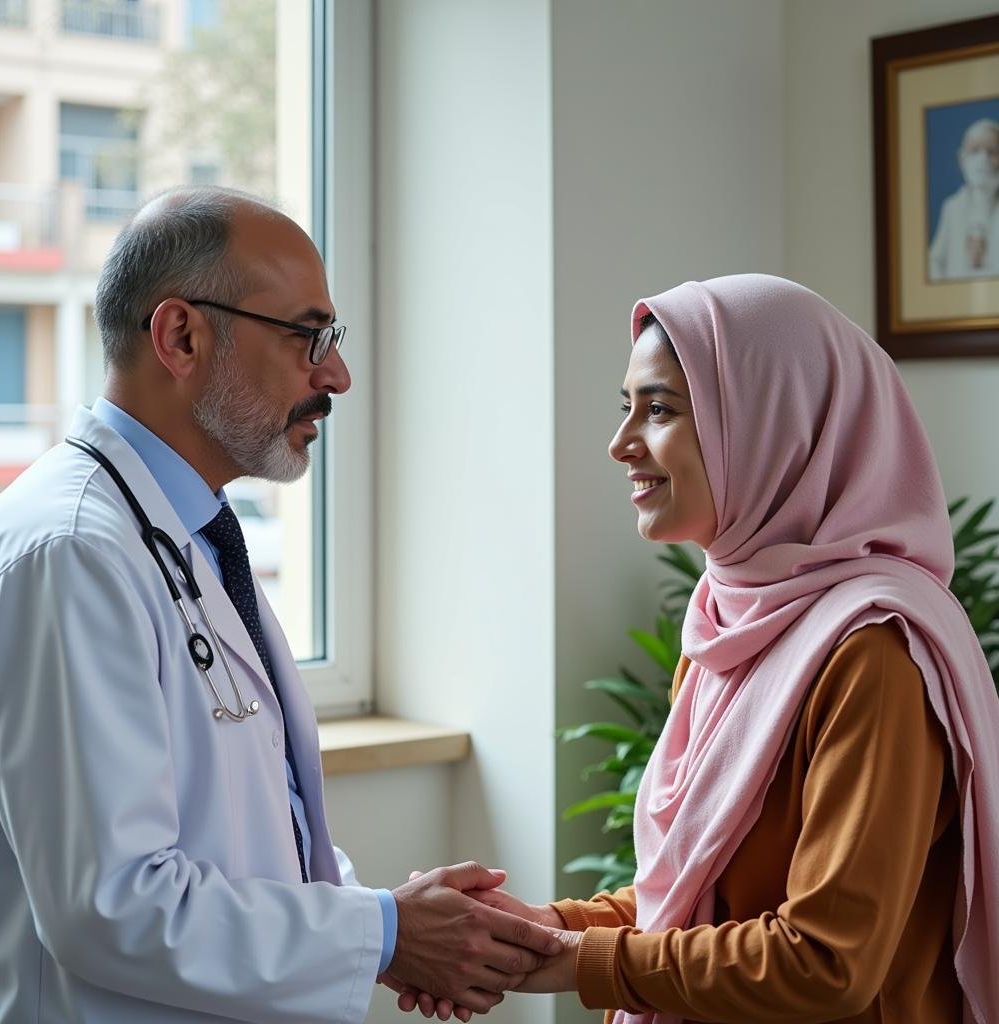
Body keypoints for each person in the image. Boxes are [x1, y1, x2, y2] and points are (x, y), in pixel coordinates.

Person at [0, 185, 561, 1024]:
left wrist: (387, 921)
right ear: (181, 335)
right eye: (307, 336)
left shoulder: (190, 534)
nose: (337, 375)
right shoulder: (70, 553)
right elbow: (112, 905)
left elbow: (249, 832)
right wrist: (386, 934)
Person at [395, 274, 999, 1023]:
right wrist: (539, 931)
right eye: (628, 408)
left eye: (660, 409)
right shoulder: (731, 619)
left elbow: (825, 961)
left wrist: (568, 963)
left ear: (770, 423)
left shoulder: (873, 654)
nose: (620, 444)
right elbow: (696, 892)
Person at [929, 117, 999, 280]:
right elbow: (935, 261)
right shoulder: (952, 207)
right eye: (975, 151)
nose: (983, 160)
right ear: (962, 158)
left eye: (992, 152)